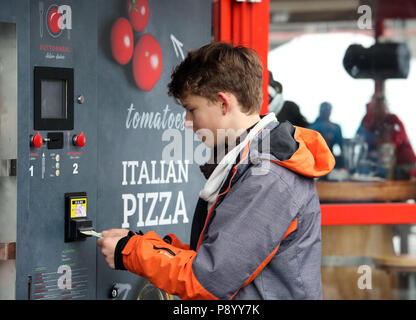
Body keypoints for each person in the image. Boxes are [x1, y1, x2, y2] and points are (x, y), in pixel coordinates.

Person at [97, 42, 335, 300]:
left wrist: (130, 252)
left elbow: (208, 281)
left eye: (191, 110)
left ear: (223, 103)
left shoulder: (268, 177)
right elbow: (224, 259)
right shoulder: (254, 164)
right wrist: (144, 245)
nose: (187, 123)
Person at [356, 95, 416, 179]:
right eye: (376, 108)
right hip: (386, 166)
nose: (379, 111)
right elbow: (360, 136)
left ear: (386, 107)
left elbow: (393, 143)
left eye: (381, 107)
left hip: (404, 165)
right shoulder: (373, 122)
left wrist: (382, 141)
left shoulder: (393, 120)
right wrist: (367, 115)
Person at [309, 102, 343, 168]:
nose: (326, 113)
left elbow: (341, 145)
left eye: (327, 111)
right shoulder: (313, 127)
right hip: (314, 159)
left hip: (330, 159)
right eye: (324, 111)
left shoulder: (336, 127)